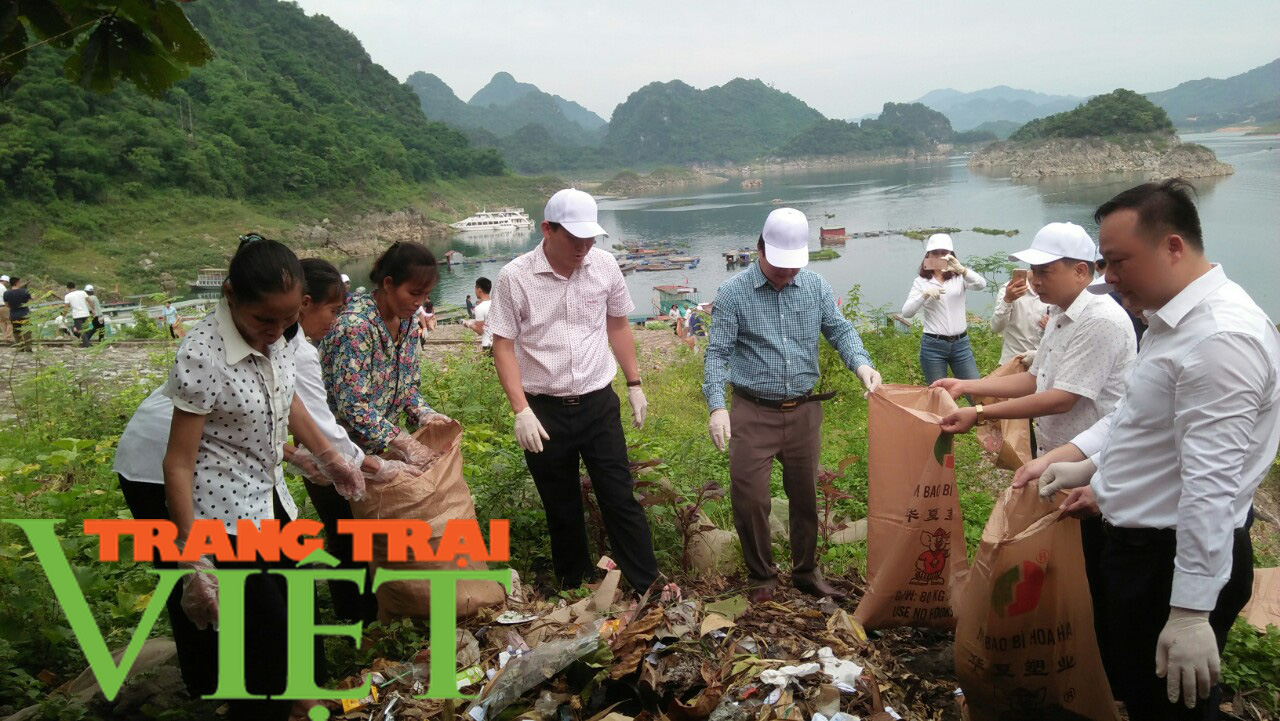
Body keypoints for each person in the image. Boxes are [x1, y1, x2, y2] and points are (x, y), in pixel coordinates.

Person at [1013, 180, 1279, 720]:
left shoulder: (1219, 340)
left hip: (1172, 560)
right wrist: (1088, 470)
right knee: (1140, 690)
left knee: (1170, 708)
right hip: (1141, 547)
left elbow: (1211, 485)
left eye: (1117, 262)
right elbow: (1138, 417)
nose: (1107, 277)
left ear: (1173, 247)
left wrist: (1189, 612)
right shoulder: (1170, 320)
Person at [152, 234, 364, 720]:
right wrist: (193, 558)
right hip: (219, 515)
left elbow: (285, 394)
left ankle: (305, 705)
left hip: (268, 496)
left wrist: (328, 456)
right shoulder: (203, 353)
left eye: (287, 319)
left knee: (296, 612)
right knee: (263, 645)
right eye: (263, 319)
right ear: (230, 295)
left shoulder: (286, 333)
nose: (275, 331)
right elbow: (178, 464)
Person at [487, 188, 662, 594]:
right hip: (543, 409)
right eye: (574, 239)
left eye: (590, 239)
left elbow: (617, 324)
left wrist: (634, 384)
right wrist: (520, 410)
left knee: (619, 496)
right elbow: (504, 345)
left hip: (598, 402)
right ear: (547, 229)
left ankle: (645, 583)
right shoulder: (515, 277)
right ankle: (574, 584)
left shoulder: (604, 267)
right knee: (561, 504)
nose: (584, 248)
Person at [703, 208, 881, 604]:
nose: (786, 274)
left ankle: (805, 571)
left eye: (793, 267)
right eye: (779, 266)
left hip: (803, 410)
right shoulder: (734, 293)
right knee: (749, 497)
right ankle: (761, 575)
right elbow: (717, 353)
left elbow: (839, 329)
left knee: (805, 496)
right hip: (752, 411)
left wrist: (862, 363)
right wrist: (717, 406)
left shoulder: (814, 285)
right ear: (760, 249)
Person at [934, 222, 1136, 459]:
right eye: (1034, 270)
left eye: (1045, 272)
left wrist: (979, 412)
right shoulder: (1060, 312)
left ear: (1080, 271)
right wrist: (965, 385)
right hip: (1056, 455)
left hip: (1092, 462)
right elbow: (1034, 379)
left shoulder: (1099, 320)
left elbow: (1062, 399)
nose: (1035, 280)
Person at [320, 241, 451, 463]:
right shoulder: (356, 327)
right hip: (337, 454)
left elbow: (406, 386)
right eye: (414, 293)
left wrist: (424, 413)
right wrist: (401, 440)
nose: (419, 303)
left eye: (426, 294)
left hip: (381, 450)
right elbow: (352, 405)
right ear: (388, 283)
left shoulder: (407, 322)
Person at [901, 234, 987, 384]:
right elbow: (907, 312)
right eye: (935, 253)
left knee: (975, 390)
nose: (940, 257)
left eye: (944, 253)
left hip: (961, 344)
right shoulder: (921, 282)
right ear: (928, 255)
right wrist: (924, 295)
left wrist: (963, 270)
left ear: (951, 255)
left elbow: (981, 285)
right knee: (938, 394)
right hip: (933, 345)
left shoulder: (959, 278)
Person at [991, 269, 1049, 365]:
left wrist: (1054, 325)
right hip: (1014, 362)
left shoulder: (1055, 291)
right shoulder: (1009, 290)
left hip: (1044, 363)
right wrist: (1008, 300)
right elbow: (996, 327)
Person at [462, 277, 493, 350]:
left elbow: (480, 330)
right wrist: (476, 321)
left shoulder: (479, 308)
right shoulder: (495, 304)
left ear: (479, 290)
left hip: (487, 344)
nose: (475, 291)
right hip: (498, 343)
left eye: (475, 288)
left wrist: (468, 324)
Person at [3, 277, 32, 352]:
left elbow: (7, 305)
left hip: (13, 315)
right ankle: (28, 348)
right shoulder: (25, 291)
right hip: (25, 314)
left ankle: (20, 348)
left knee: (16, 331)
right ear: (17, 282)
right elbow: (30, 302)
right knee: (27, 331)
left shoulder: (6, 293)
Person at [0, 274, 11, 343]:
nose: (7, 284)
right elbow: (6, 298)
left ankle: (4, 337)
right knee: (10, 322)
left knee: (2, 322)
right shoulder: (3, 288)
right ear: (5, 281)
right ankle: (8, 338)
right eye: (7, 282)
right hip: (4, 306)